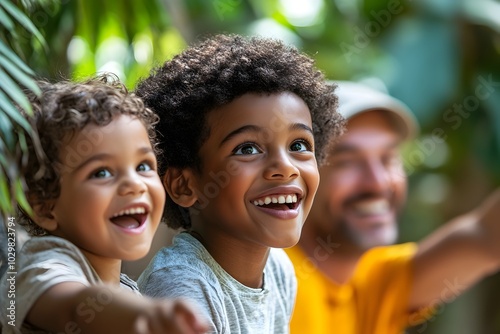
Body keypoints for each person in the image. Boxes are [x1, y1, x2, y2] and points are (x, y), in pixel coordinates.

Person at [135, 34, 344, 333]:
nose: (284, 168)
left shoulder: (278, 269)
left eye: (298, 145)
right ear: (184, 185)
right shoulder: (182, 287)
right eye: (247, 149)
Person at [286, 80, 500, 334]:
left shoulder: (373, 281)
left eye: (388, 158)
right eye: (346, 162)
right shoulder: (262, 280)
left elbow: (487, 239)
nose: (378, 183)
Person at [0, 75, 208, 334]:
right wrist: (145, 316)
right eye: (101, 173)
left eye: (143, 166)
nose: (134, 184)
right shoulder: (38, 267)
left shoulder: (128, 291)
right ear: (44, 205)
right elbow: (74, 308)